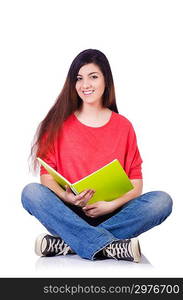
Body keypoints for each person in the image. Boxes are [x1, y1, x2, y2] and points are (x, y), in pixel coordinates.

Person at [21, 49, 173, 263]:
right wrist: (68, 197)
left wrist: (110, 205)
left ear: (105, 81)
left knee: (162, 201)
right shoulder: (58, 124)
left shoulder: (123, 126)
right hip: (68, 213)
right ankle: (109, 245)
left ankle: (68, 243)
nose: (86, 85)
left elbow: (136, 184)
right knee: (31, 193)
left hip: (114, 213)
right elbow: (46, 178)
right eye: (79, 78)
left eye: (93, 76)